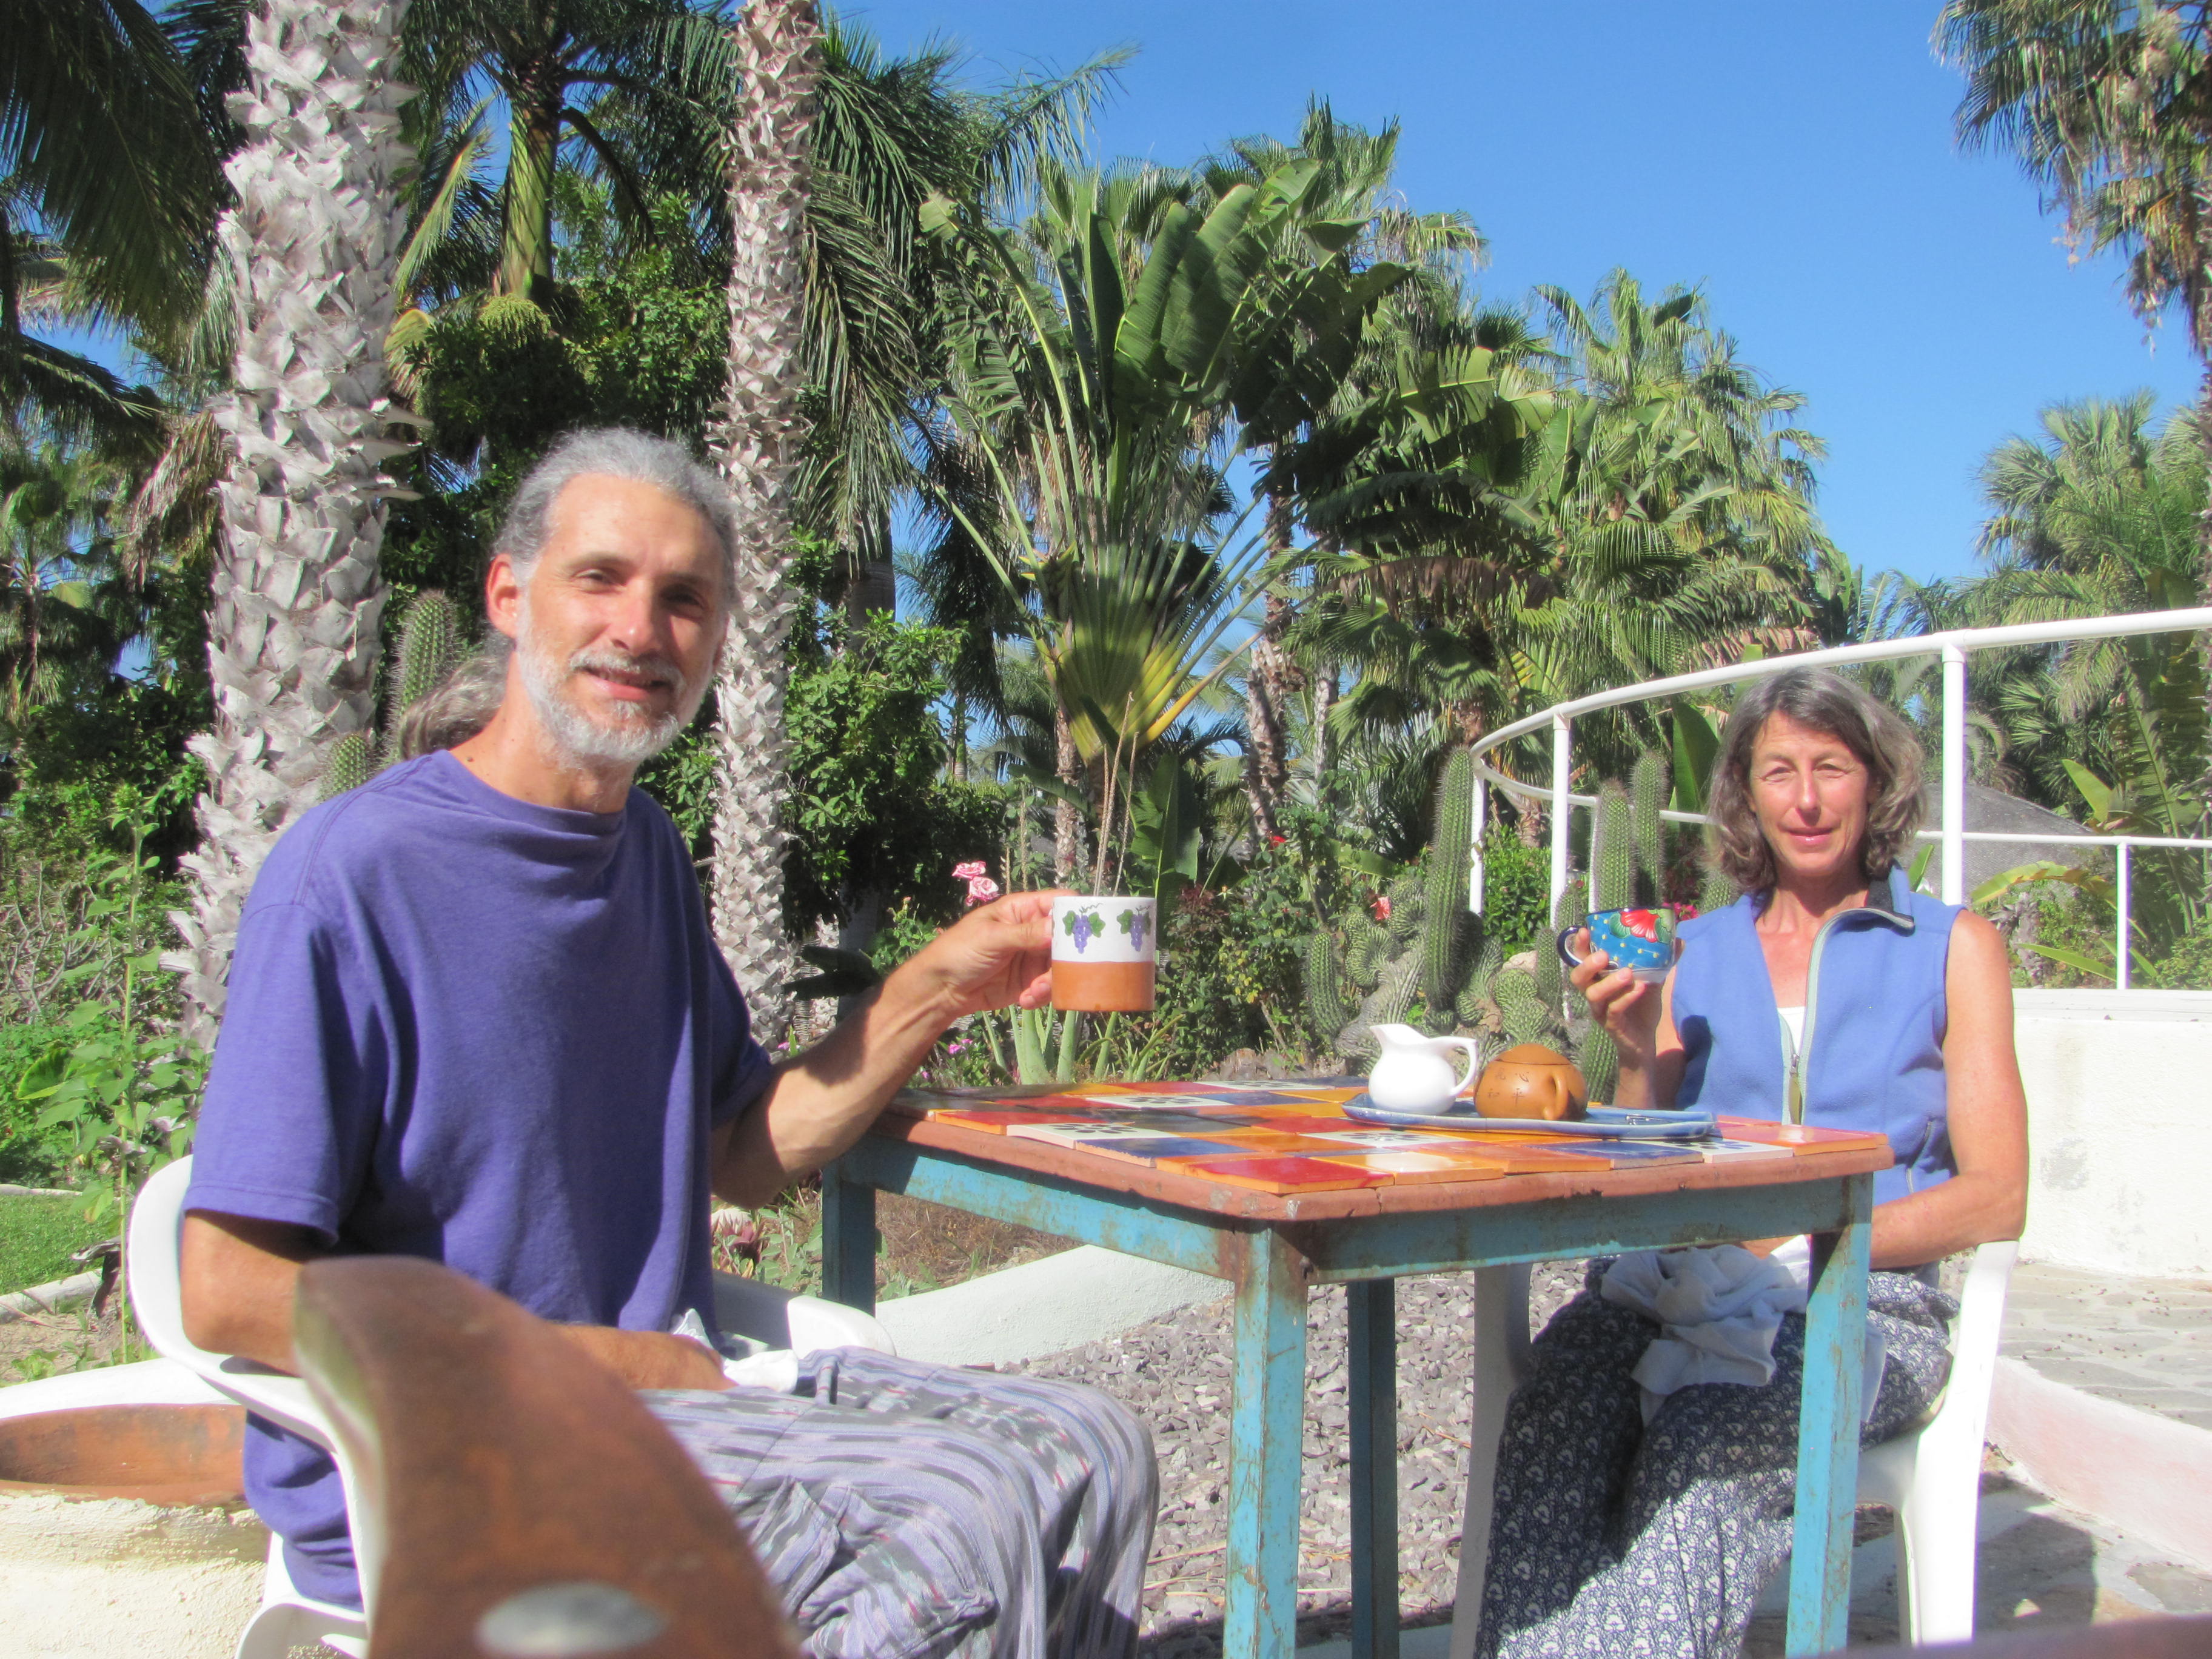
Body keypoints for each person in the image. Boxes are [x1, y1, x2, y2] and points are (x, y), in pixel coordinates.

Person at [179, 427, 1156, 1659]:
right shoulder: (352, 877)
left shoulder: (640, 852)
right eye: (602, 578)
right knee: (959, 1521)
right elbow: (227, 1290)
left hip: (678, 1391)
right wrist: (607, 1362)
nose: (642, 631)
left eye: (685, 600)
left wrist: (934, 990)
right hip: (451, 1459)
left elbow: (742, 1152)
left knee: (1093, 1450)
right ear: (509, 595)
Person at [1473, 667, 2028, 1659]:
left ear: (1876, 782)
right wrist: (1635, 1045)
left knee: (1703, 1447)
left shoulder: (1953, 947)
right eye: (1779, 772)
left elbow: (1998, 1195)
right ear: (1746, 794)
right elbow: (1644, 1153)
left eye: (1832, 767)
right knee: (1556, 1415)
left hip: (1866, 1304)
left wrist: (1812, 1241)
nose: (1806, 800)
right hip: (1677, 1287)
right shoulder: (1693, 951)